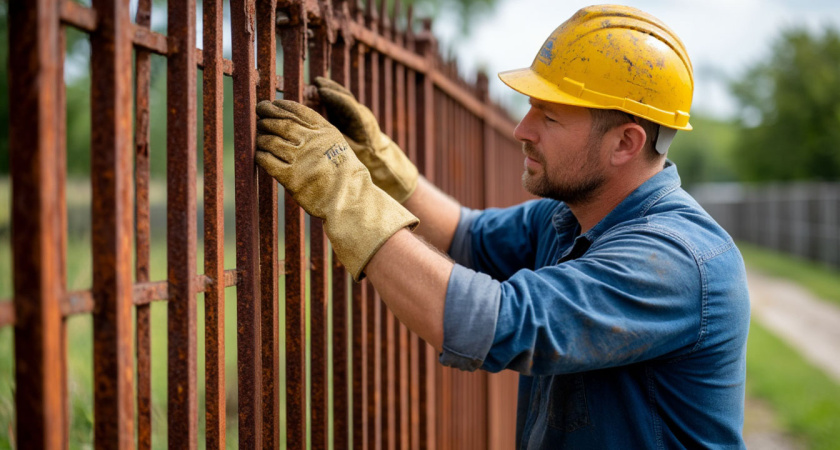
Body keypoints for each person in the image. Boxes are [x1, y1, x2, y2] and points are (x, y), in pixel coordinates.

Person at [254, 4, 750, 448]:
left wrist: (347, 195)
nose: (521, 129)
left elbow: (496, 324)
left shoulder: (674, 261)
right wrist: (385, 167)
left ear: (625, 143)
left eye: (548, 117)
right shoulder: (570, 216)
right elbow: (468, 235)